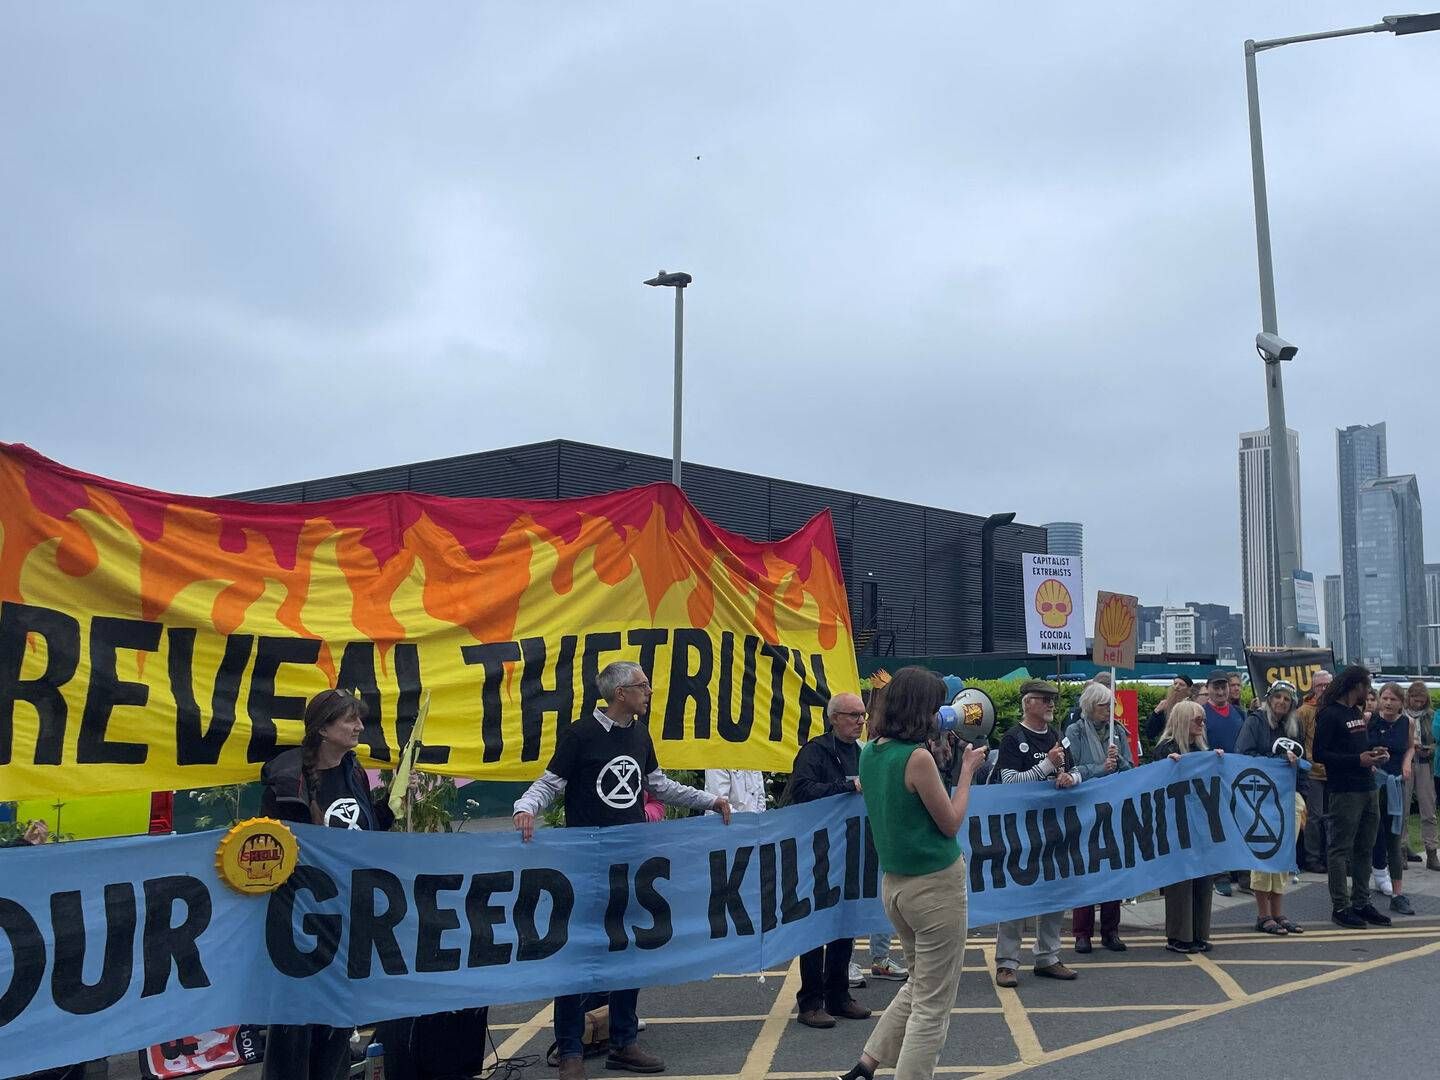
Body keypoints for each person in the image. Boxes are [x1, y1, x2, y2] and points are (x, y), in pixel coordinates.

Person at [512, 661, 731, 1079]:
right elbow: (550, 783)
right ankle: (571, 1048)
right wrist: (526, 807)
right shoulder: (580, 735)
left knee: (631, 949)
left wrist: (709, 801)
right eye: (642, 686)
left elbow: (658, 785)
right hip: (587, 865)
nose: (649, 692)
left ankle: (624, 1041)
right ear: (620, 693)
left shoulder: (639, 734)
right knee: (580, 953)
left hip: (632, 862)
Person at [836, 667, 987, 1080]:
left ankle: (867, 1064)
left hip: (896, 888)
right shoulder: (916, 758)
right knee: (933, 1006)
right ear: (921, 709)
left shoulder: (871, 751)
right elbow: (951, 822)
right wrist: (968, 770)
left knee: (920, 983)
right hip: (935, 888)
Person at [259, 689, 396, 1080]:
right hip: (300, 921)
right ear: (322, 728)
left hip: (347, 915)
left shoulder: (353, 771)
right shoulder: (287, 781)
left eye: (359, 719)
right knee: (295, 1026)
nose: (358, 727)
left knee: (337, 1019)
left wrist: (388, 809)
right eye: (349, 720)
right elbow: (271, 851)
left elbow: (359, 832)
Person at [785, 691, 873, 1028]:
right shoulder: (814, 752)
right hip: (815, 850)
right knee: (815, 927)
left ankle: (838, 996)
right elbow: (801, 791)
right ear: (833, 718)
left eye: (862, 715)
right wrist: (847, 785)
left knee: (844, 925)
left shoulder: (865, 753)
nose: (859, 722)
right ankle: (810, 1001)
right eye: (853, 715)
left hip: (849, 849)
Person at [992, 679, 1081, 987]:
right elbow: (1008, 783)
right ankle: (1007, 961)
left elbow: (1076, 768)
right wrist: (1046, 766)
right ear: (1027, 703)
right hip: (1021, 830)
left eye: (1052, 699)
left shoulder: (1058, 737)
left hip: (1054, 828)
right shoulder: (1013, 739)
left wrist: (1070, 776)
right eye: (1044, 699)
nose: (1050, 704)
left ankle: (1048, 956)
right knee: (1016, 893)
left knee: (1055, 892)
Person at [1312, 666, 1391, 930]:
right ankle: (1341, 906)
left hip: (1367, 786)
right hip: (1345, 790)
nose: (1368, 692)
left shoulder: (1355, 713)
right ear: (1354, 685)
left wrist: (1374, 752)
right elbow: (1320, 754)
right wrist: (1357, 760)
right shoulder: (1329, 714)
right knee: (1340, 849)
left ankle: (1361, 901)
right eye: (1365, 686)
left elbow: (1359, 747)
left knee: (1365, 847)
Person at [1063, 681, 1133, 952]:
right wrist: (1102, 767)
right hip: (1086, 809)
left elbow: (1129, 770)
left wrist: (1119, 761)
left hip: (1113, 808)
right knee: (1086, 868)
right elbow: (1074, 768)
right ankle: (1082, 933)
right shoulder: (1075, 731)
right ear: (1091, 706)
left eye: (1111, 704)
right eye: (1104, 705)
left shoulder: (1119, 733)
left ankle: (1110, 931)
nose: (1109, 710)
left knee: (1112, 868)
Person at [1234, 681, 1307, 935]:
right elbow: (1243, 755)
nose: (1281, 703)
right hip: (1261, 797)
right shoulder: (1255, 722)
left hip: (1288, 797)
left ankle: (1278, 912)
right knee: (1264, 852)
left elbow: (1303, 762)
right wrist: (1276, 761)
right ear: (1269, 699)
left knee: (1284, 854)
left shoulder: (1294, 728)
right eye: (1278, 697)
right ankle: (1262, 915)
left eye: (1287, 700)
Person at [1153, 701, 1223, 953]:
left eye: (1203, 720)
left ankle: (1198, 932)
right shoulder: (1165, 749)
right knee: (1181, 880)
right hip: (1177, 823)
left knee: (1203, 877)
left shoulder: (1203, 749)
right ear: (1183, 720)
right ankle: (1178, 935)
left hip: (1201, 821)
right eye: (1197, 720)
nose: (1202, 724)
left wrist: (1219, 761)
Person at [1368, 684, 1415, 914]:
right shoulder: (1370, 719)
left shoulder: (1407, 722)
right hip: (1374, 783)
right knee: (1370, 833)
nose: (1388, 703)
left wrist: (1407, 762)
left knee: (1394, 838)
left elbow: (1409, 748)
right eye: (1384, 698)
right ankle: (1366, 883)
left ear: (1400, 702)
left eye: (1393, 700)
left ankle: (1398, 893)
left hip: (1395, 783)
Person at [1201, 671, 1244, 896]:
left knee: (1239, 825)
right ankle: (1220, 876)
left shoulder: (1239, 713)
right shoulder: (1202, 714)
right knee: (1217, 829)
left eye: (1223, 687)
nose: (1220, 691)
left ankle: (1244, 874)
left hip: (1236, 779)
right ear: (1208, 688)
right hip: (1212, 782)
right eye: (1216, 687)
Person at [1296, 669, 1333, 873]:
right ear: (1313, 687)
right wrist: (1312, 763)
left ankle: (1331, 856)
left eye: (1328, 685)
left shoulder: (1336, 708)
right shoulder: (1304, 711)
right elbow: (1300, 743)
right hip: (1313, 772)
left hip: (1334, 771)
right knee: (1315, 817)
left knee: (1333, 816)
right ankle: (1312, 858)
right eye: (1320, 685)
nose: (1324, 689)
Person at [1402, 681, 1437, 870]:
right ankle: (1401, 850)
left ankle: (1431, 851)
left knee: (1428, 809)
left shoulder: (1431, 716)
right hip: (1406, 763)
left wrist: (1428, 750)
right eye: (1415, 700)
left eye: (1422, 701)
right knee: (1402, 808)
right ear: (1409, 698)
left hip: (1424, 763)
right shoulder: (1401, 715)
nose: (1418, 704)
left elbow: (1436, 741)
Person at [1145, 676, 1194, 741]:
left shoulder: (1193, 706)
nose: (1177, 687)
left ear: (1189, 689)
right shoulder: (1165, 706)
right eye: (1175, 683)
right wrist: (1156, 712)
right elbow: (1150, 733)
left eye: (1181, 685)